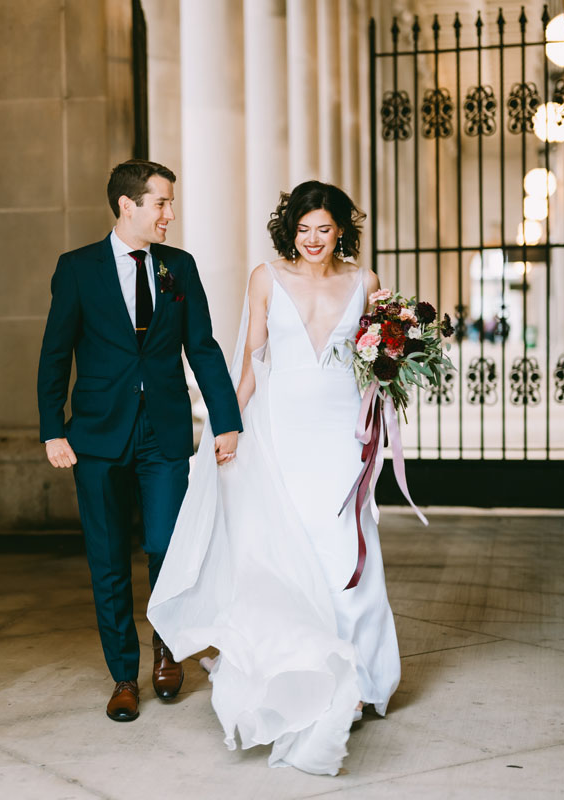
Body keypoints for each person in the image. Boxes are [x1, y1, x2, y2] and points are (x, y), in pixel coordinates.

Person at [148, 180, 400, 775]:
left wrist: (378, 420)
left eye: (325, 229)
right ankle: (301, 673)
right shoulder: (266, 278)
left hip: (342, 433)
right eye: (304, 229)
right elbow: (251, 363)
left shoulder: (365, 284)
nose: (314, 241)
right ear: (293, 230)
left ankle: (361, 679)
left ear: (342, 229)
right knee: (288, 553)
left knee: (345, 548)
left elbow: (379, 367)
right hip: (282, 432)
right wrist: (228, 429)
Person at [37, 159, 243, 723]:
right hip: (97, 436)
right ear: (128, 205)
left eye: (170, 204)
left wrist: (226, 419)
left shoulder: (180, 267)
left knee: (166, 547)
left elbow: (201, 346)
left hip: (165, 433)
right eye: (161, 204)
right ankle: (123, 676)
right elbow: (56, 353)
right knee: (107, 560)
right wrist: (52, 427)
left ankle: (167, 649)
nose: (170, 215)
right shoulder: (77, 269)